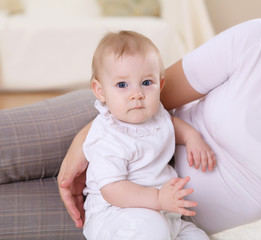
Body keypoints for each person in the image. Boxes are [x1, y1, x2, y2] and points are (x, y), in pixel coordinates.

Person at [58, 0, 261, 236]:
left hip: (167, 217)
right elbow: (148, 93)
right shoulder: (258, 40)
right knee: (17, 143)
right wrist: (87, 137)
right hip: (120, 122)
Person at [80, 31, 214, 239]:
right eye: (122, 85)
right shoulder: (107, 136)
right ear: (100, 91)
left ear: (160, 86)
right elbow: (112, 189)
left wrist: (191, 137)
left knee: (197, 236)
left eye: (146, 83)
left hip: (164, 212)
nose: (137, 94)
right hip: (116, 215)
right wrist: (158, 198)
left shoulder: (156, 115)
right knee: (152, 229)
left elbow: (170, 125)